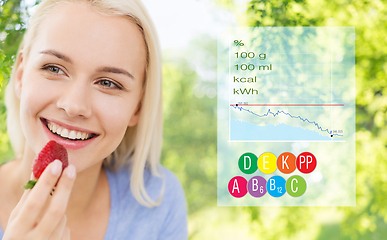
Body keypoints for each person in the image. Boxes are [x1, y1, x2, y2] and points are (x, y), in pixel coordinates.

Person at [0, 0, 188, 239]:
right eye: (54, 68)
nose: (73, 106)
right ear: (20, 75)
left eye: (108, 83)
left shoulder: (158, 200)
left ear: (138, 107)